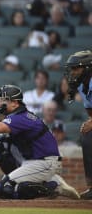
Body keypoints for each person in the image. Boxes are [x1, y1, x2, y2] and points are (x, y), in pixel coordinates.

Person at [64, 50, 92, 199]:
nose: (73, 72)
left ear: (87, 68)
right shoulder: (82, 86)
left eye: (76, 68)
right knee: (88, 136)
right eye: (72, 69)